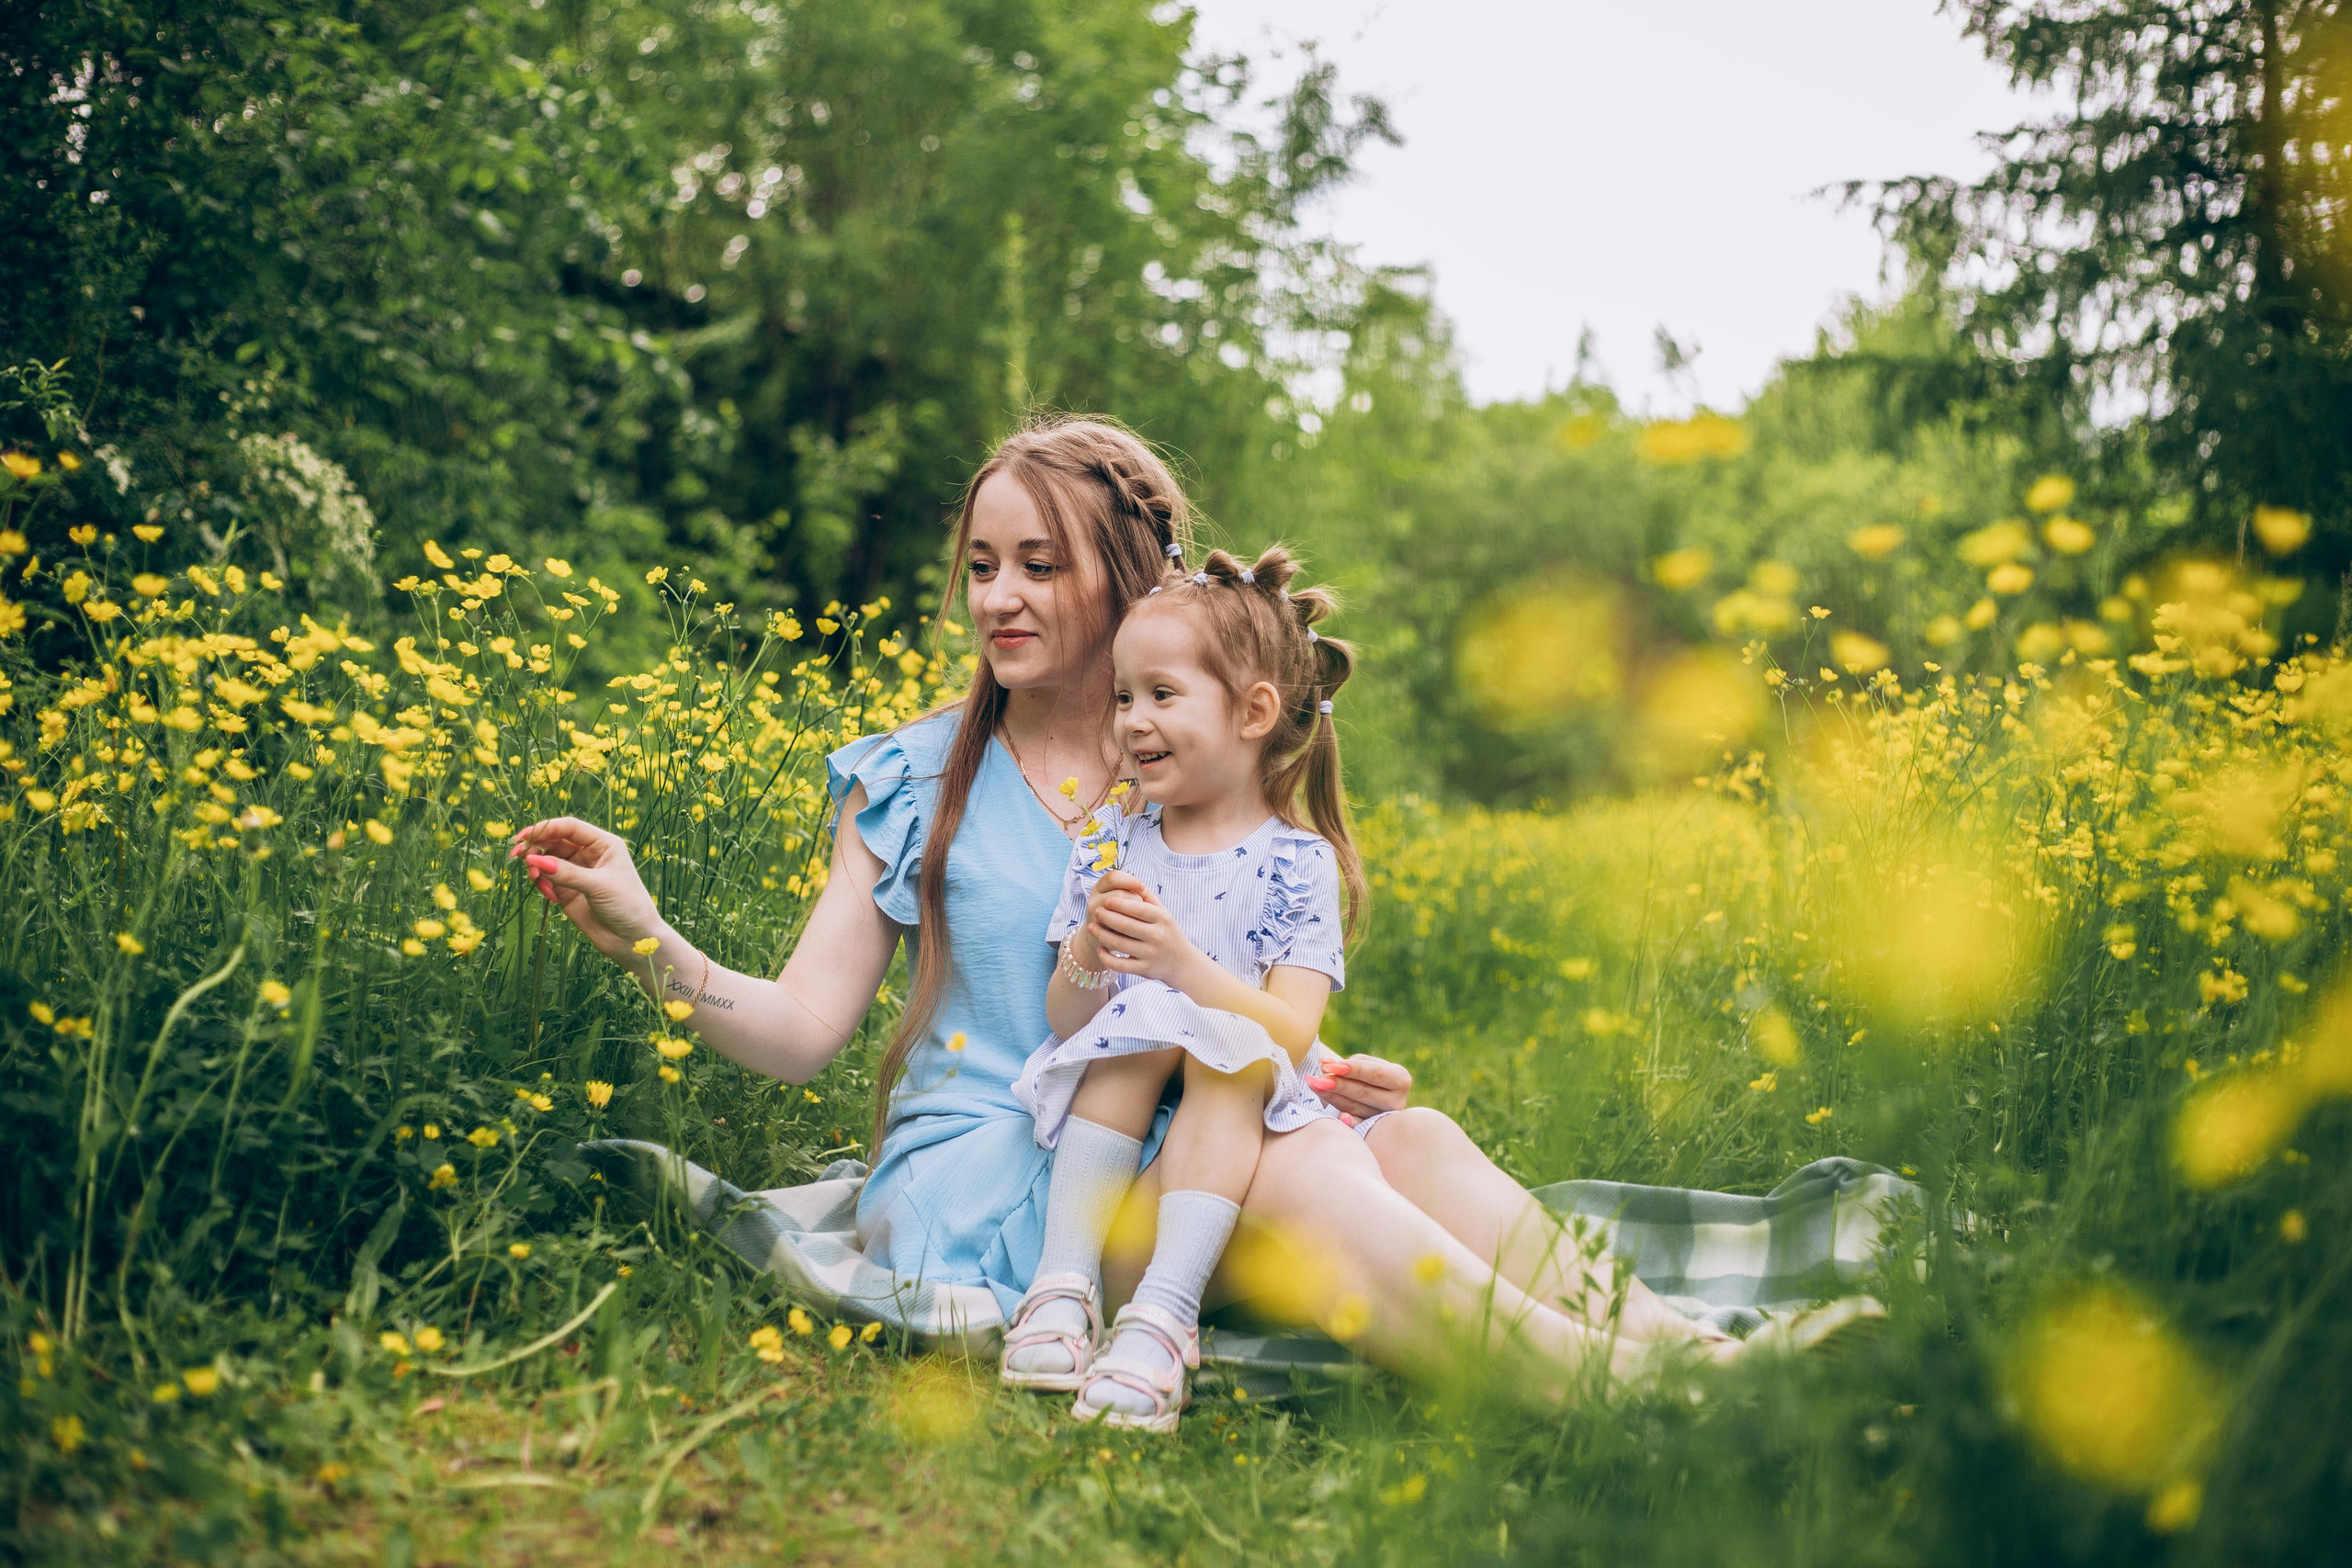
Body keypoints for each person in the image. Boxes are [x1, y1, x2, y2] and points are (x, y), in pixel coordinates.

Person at [511, 414, 1731, 1404]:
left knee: (1414, 1138)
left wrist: (1323, 1065)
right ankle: (1611, 1397)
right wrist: (647, 938)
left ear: (1129, 581)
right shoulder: (910, 775)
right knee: (1306, 1175)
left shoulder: (1187, 767)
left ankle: (1690, 1346)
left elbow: (1210, 989)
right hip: (992, 1182)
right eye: (983, 566)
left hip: (1164, 1144)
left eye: (1041, 565)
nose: (1000, 596)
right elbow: (797, 1029)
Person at [998, 545, 1366, 1431]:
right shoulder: (1113, 840)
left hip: (1232, 1120)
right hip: (1122, 1112)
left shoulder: (1295, 865)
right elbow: (1066, 1015)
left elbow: (1290, 1030)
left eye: (1162, 695)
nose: (1131, 720)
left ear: (1254, 711)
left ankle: (1164, 1316)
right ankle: (1063, 1286)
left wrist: (1183, 969)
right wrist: (1089, 945)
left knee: (1225, 1047)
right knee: (1141, 1024)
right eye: (1124, 696)